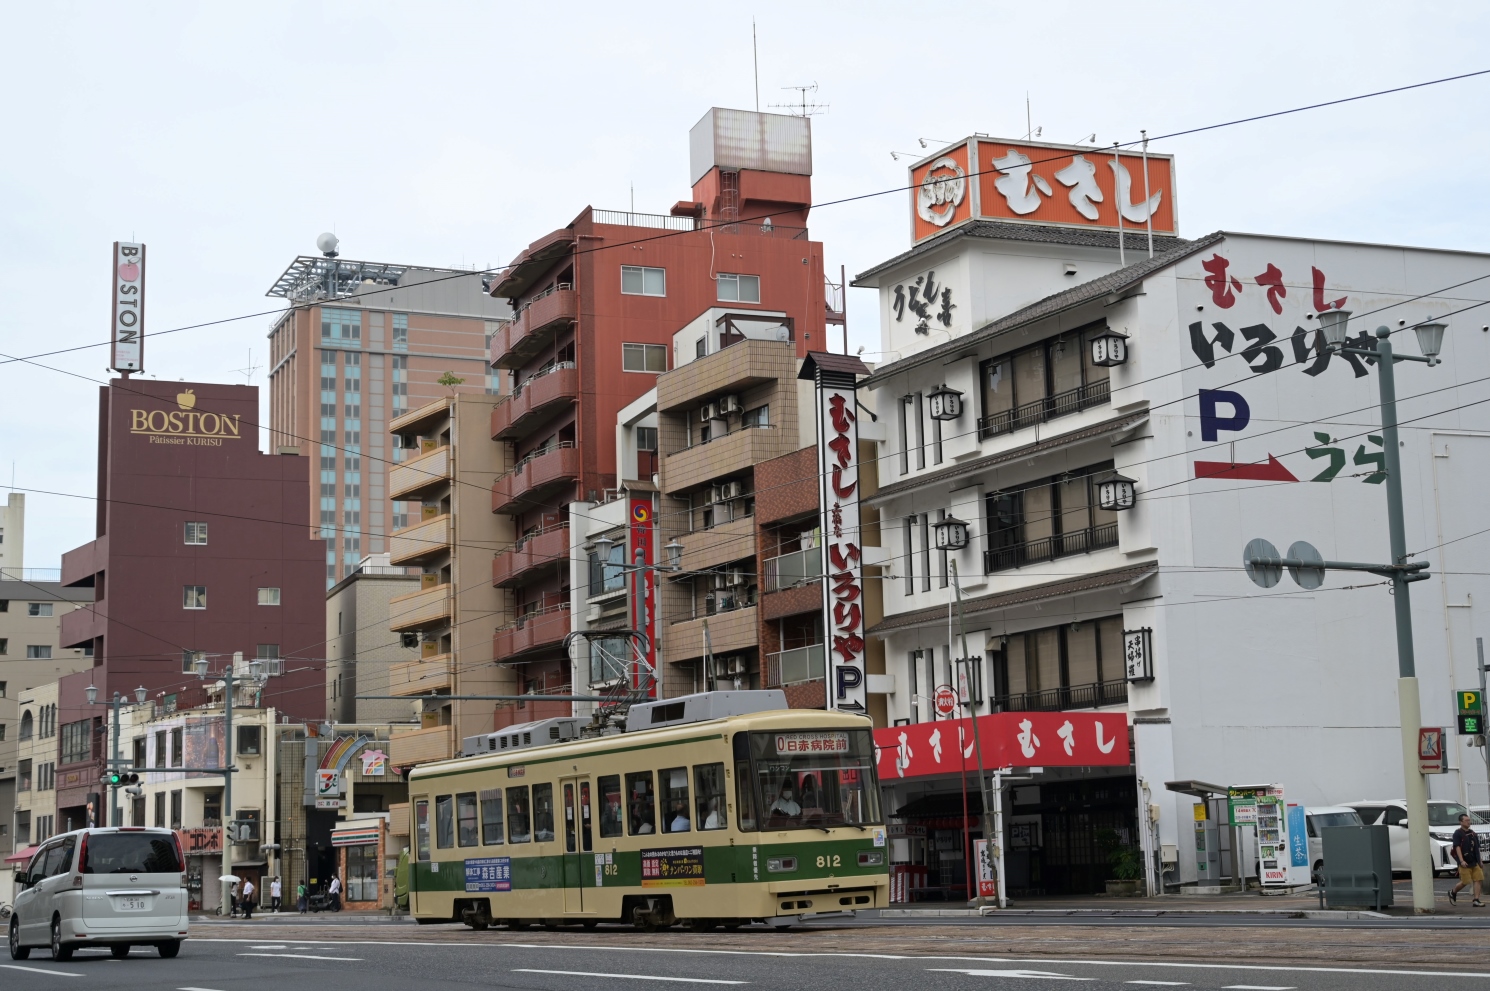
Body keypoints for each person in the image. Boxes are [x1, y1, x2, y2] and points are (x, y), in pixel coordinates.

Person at [1449, 813, 1484, 907]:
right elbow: (1457, 847)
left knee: (1478, 879)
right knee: (1465, 881)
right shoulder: (1457, 833)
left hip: (1474, 861)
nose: (1469, 822)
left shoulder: (1472, 833)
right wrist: (1461, 861)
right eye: (1467, 820)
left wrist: (1480, 860)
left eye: (1469, 820)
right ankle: (1453, 892)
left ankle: (1476, 899)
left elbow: (1477, 847)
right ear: (1461, 822)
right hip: (1464, 862)